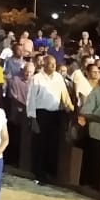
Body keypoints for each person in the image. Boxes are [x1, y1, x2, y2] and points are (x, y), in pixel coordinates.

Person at [26, 55, 72, 185]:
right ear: (44, 65)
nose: (53, 66)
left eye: (54, 63)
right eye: (50, 64)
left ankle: (49, 173)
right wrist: (33, 119)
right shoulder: (37, 78)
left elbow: (64, 94)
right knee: (40, 145)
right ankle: (38, 173)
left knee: (52, 144)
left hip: (55, 114)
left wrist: (69, 106)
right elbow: (31, 99)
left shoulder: (58, 77)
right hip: (41, 114)